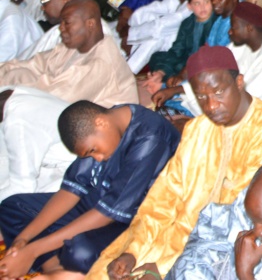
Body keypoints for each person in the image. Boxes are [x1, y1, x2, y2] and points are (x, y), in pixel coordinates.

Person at [92, 45, 262, 280]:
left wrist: (163, 270)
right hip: (170, 238)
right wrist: (134, 251)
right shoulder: (197, 130)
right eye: (201, 97)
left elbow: (249, 225)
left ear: (240, 82)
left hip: (227, 252)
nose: (211, 105)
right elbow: (164, 197)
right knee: (107, 271)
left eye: (219, 92)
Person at [0, 101, 180, 278]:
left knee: (80, 252)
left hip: (134, 219)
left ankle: (57, 262)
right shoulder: (104, 124)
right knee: (11, 207)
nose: (98, 158)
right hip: (97, 202)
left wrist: (32, 250)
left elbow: (108, 213)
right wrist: (22, 240)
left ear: (101, 123)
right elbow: (73, 189)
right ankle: (53, 267)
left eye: (94, 150)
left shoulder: (150, 137)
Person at [0, 0, 136, 108]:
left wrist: (12, 93)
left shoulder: (101, 63)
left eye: (67, 22)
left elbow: (51, 100)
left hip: (93, 132)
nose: (61, 28)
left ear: (90, 24)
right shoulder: (72, 47)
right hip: (56, 106)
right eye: (61, 22)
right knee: (18, 74)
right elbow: (35, 64)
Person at [145, 0, 216, 101]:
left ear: (212, 2)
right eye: (197, 4)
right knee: (157, 57)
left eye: (206, 2)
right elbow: (176, 50)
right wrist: (161, 72)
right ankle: (166, 81)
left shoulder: (216, 22)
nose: (203, 7)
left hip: (205, 65)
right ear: (190, 6)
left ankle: (173, 87)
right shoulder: (187, 23)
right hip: (185, 62)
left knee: (203, 77)